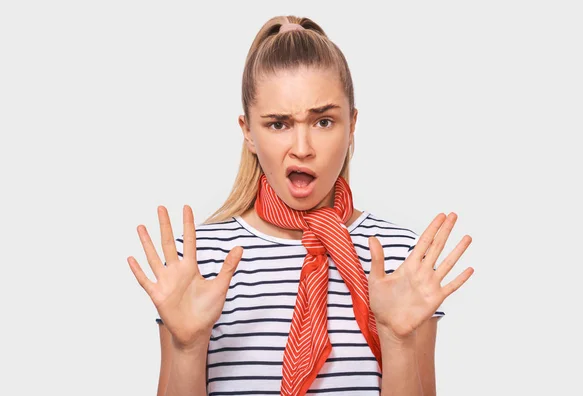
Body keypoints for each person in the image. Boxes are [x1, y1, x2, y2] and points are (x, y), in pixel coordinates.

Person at [127, 15, 474, 396]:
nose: (303, 147)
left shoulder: (401, 260)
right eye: (278, 124)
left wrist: (397, 340)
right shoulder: (198, 264)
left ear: (352, 124)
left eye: (323, 121)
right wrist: (188, 347)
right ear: (248, 133)